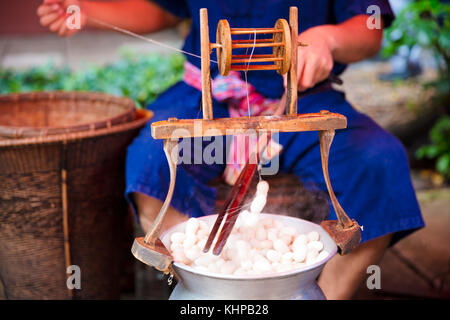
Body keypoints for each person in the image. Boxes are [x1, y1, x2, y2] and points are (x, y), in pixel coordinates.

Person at [38, 0, 424, 299]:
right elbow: (163, 7)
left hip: (302, 98)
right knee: (152, 162)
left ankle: (318, 294)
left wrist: (327, 38)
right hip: (205, 98)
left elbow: (369, 29)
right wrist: (86, 10)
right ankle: (206, 291)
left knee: (378, 164)